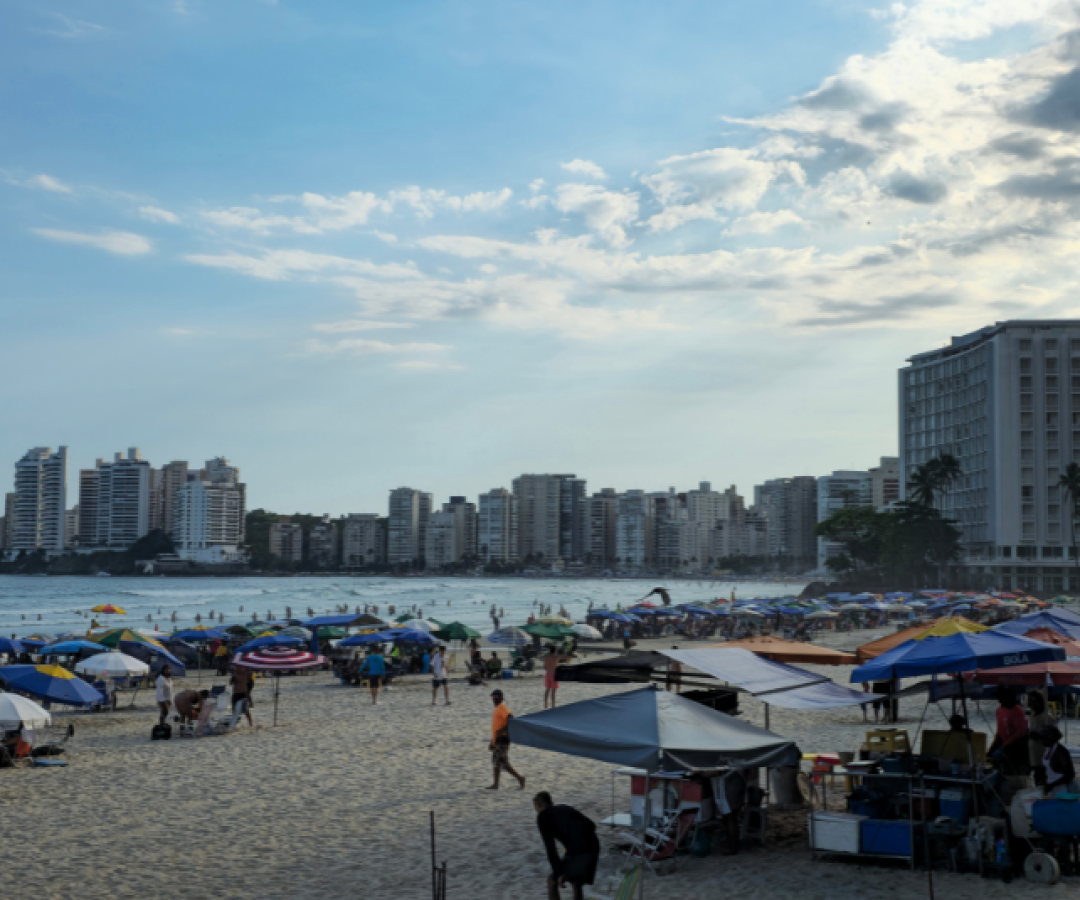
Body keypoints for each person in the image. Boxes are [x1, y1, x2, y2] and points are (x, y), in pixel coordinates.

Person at [533, 791, 600, 900]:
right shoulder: (564, 808)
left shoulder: (542, 816)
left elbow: (550, 848)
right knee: (576, 882)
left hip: (578, 851)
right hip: (593, 846)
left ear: (538, 805)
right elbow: (591, 825)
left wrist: (559, 873)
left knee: (551, 881)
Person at [487, 689, 525, 790]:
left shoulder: (502, 707)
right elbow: (496, 727)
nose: (494, 699)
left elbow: (511, 719)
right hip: (498, 739)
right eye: (493, 697)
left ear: (501, 698)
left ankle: (519, 778)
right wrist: (492, 742)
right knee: (498, 762)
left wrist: (502, 730)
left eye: (496, 697)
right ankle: (496, 784)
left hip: (503, 739)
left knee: (500, 762)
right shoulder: (497, 709)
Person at [989, 687, 1029, 774]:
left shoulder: (1017, 710)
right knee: (991, 758)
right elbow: (999, 732)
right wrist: (991, 748)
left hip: (1017, 746)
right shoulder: (999, 710)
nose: (999, 701)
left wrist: (1007, 744)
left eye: (1001, 698)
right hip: (1004, 744)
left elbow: (1021, 731)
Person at [1036, 725, 1077, 796]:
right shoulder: (1048, 750)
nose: (1041, 741)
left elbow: (1070, 774)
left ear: (1051, 738)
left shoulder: (1060, 752)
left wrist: (1052, 785)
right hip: (1053, 787)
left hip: (1064, 790)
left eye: (1044, 738)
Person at [1027, 690, 1056, 780]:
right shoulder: (1032, 715)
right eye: (1031, 701)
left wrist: (1039, 736)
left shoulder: (1047, 717)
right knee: (1037, 778)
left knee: (1043, 779)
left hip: (1044, 756)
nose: (1033, 704)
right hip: (1034, 755)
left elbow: (1055, 736)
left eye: (1036, 701)